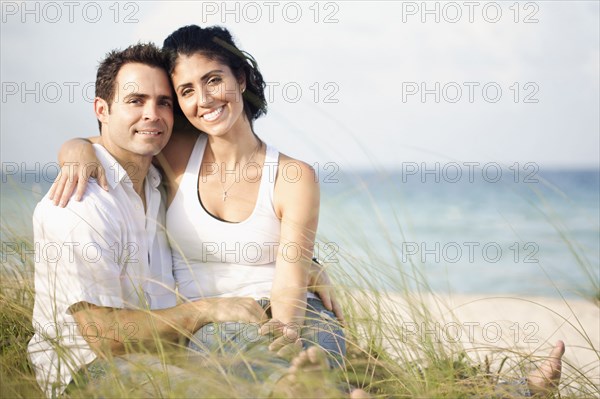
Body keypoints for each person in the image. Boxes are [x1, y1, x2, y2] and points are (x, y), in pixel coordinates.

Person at [50, 25, 565, 398]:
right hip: (205, 325)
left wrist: (286, 332)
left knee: (329, 365)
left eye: (213, 80)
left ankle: (511, 389)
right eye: (185, 90)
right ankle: (512, 392)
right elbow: (116, 139)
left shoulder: (294, 176)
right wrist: (75, 148)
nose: (202, 99)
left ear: (242, 78)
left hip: (281, 320)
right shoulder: (176, 152)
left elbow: (290, 279)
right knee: (358, 380)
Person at [27, 42, 322, 398]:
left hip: (168, 354)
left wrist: (312, 267)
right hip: (93, 370)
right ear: (102, 109)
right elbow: (106, 339)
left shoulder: (155, 184)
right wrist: (207, 310)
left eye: (163, 102)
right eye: (136, 101)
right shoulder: (79, 203)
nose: (152, 114)